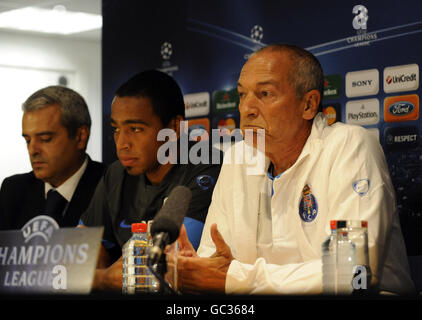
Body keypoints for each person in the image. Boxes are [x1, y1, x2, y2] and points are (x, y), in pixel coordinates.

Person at [174, 44, 415, 295]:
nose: (247, 108)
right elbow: (216, 269)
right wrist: (196, 273)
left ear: (309, 104)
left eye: (265, 94)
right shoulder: (238, 158)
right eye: (242, 95)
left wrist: (237, 278)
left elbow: (352, 273)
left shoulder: (349, 145)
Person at [79, 70, 222, 290]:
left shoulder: (207, 166)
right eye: (116, 129)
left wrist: (101, 278)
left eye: (135, 129)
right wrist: (100, 274)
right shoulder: (116, 173)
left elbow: (166, 265)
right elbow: (81, 250)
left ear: (174, 127)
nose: (121, 144)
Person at [0, 86, 105, 229]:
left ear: (81, 137)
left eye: (45, 139)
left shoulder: (110, 186)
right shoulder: (14, 190)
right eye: (28, 140)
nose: (32, 150)